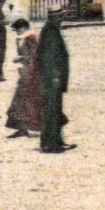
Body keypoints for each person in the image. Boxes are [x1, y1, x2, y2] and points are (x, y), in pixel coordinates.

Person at [37, 8, 74, 152]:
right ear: (53, 17)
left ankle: (55, 140)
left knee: (55, 110)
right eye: (59, 17)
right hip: (53, 78)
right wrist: (56, 76)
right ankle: (52, 144)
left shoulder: (51, 29)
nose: (61, 19)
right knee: (52, 111)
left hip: (54, 78)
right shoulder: (50, 32)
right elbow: (49, 57)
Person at [4, 19, 42, 138]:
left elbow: (34, 57)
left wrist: (20, 59)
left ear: (25, 28)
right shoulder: (26, 38)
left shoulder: (31, 38)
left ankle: (24, 129)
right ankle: (23, 128)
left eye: (18, 29)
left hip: (31, 75)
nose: (17, 32)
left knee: (26, 102)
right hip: (27, 74)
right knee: (23, 102)